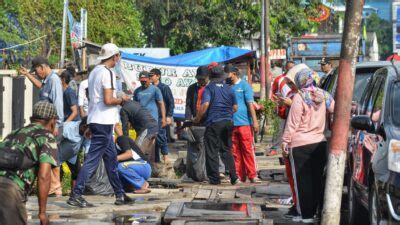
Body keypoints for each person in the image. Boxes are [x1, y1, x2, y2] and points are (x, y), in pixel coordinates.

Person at [67, 43, 132, 207]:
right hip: (103, 122)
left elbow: (96, 99)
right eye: (118, 56)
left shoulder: (95, 71)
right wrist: (122, 100)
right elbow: (109, 100)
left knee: (110, 160)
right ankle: (76, 194)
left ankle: (120, 194)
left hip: (97, 120)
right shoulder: (108, 73)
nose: (118, 59)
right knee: (92, 161)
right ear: (115, 57)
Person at [281, 68, 334, 223]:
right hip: (319, 143)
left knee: (302, 181)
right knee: (317, 180)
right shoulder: (325, 95)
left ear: (300, 81)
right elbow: (336, 109)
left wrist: (285, 141)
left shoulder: (299, 96)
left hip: (299, 144)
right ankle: (316, 212)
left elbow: (293, 122)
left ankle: (306, 216)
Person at [0, 101, 58, 225]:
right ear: (52, 121)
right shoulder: (46, 136)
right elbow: (44, 175)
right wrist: (42, 213)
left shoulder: (13, 133)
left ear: (32, 119)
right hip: (10, 190)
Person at [19, 56, 64, 196]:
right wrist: (27, 75)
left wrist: (56, 124)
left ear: (43, 67)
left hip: (52, 125)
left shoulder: (54, 80)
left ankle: (55, 188)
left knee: (49, 156)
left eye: (36, 70)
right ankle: (54, 188)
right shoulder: (47, 80)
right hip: (46, 125)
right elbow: (40, 87)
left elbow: (58, 103)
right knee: (47, 155)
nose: (37, 73)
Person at [193, 64, 239, 185]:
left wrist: (197, 118)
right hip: (228, 122)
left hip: (214, 122)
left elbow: (205, 105)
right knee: (226, 150)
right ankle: (234, 176)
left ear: (211, 76)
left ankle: (214, 179)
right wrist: (226, 113)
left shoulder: (209, 88)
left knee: (212, 150)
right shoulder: (229, 88)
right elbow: (235, 107)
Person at [224, 64, 260, 183]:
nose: (226, 76)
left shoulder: (244, 85)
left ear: (234, 74)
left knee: (248, 150)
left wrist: (255, 122)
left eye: (227, 74)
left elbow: (250, 104)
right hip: (231, 124)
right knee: (235, 152)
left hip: (244, 123)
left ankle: (252, 175)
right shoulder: (226, 86)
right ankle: (239, 175)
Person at [133, 71, 167, 163]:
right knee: (140, 142)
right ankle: (141, 162)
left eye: (145, 80)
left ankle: (151, 163)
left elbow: (161, 104)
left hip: (153, 121)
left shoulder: (155, 90)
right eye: (141, 80)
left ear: (149, 79)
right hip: (140, 122)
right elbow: (134, 106)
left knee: (152, 143)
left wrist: (164, 118)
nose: (143, 82)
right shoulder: (137, 91)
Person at [184, 65, 209, 182]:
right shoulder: (192, 88)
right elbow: (188, 105)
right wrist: (187, 120)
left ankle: (205, 173)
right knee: (193, 149)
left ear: (207, 77)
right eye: (198, 79)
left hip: (208, 122)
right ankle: (194, 173)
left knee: (206, 149)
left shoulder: (211, 88)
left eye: (202, 79)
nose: (200, 81)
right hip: (194, 123)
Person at [59, 70, 82, 190]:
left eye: (59, 78)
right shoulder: (62, 92)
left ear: (63, 79)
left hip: (71, 131)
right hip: (66, 130)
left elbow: (74, 111)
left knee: (72, 162)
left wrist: (64, 125)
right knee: (61, 160)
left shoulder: (69, 92)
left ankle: (75, 191)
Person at [149, 68, 174, 163]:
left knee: (161, 136)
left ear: (158, 76)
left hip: (161, 117)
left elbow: (171, 102)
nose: (150, 77)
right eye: (149, 76)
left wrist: (168, 116)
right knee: (152, 139)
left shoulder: (164, 87)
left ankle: (165, 156)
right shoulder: (149, 88)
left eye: (152, 75)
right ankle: (156, 160)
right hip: (151, 117)